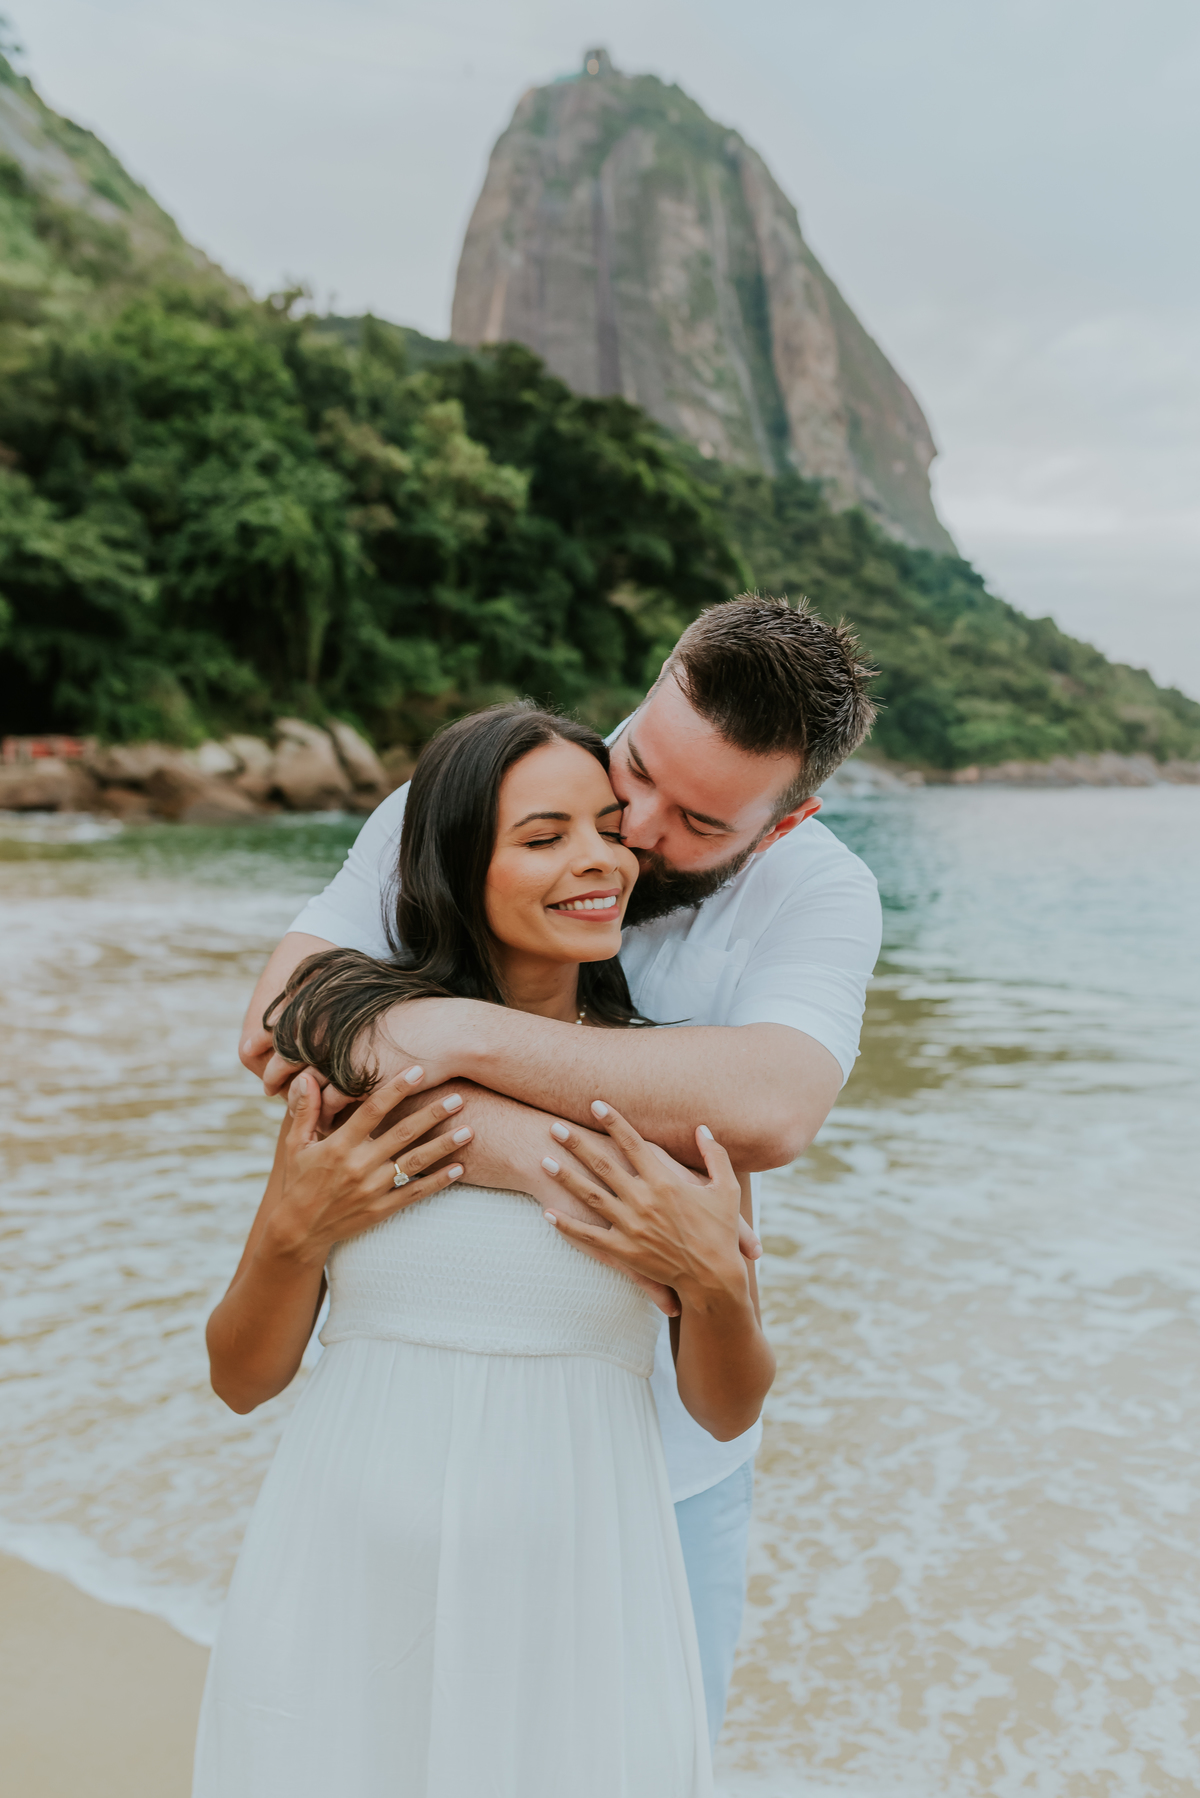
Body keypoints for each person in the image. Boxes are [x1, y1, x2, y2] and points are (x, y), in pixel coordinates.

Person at [239, 594, 884, 1743]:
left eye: (697, 821)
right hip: (405, 1453)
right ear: (643, 693)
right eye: (635, 762)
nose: (633, 828)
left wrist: (455, 1039)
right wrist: (566, 1160)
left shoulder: (820, 891)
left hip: (660, 1477)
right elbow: (286, 1027)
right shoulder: (478, 807)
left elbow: (777, 1110)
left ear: (779, 827)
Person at [197, 706, 772, 1797]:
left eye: (609, 828)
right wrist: (292, 1232)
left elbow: (727, 1404)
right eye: (545, 835)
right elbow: (240, 1376)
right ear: (459, 863)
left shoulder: (670, 1091)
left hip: (578, 1594)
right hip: (343, 1576)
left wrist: (712, 1282)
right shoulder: (356, 1079)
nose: (600, 859)